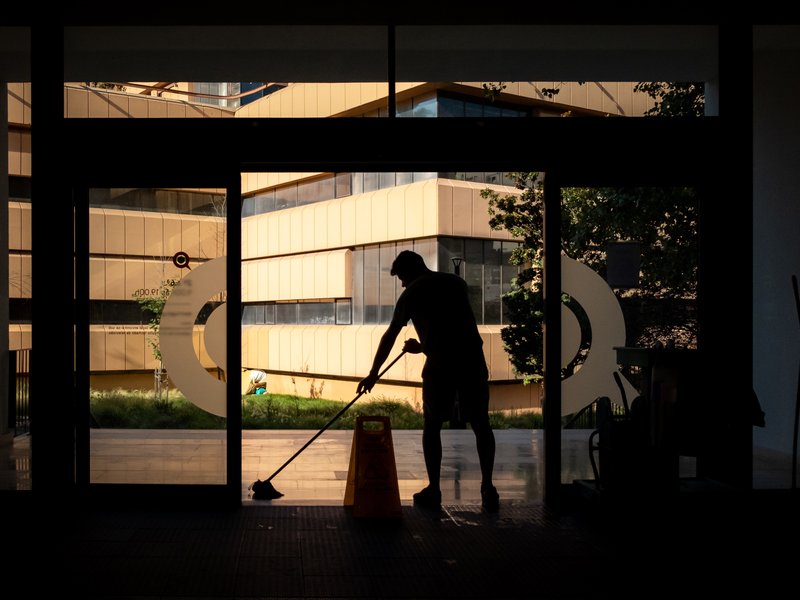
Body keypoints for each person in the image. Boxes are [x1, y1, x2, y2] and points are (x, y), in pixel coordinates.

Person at [357, 250, 499, 512]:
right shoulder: (457, 284)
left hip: (440, 367)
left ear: (410, 271)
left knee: (432, 425)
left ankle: (434, 489)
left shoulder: (412, 293)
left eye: (401, 277)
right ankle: (488, 486)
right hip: (471, 361)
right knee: (481, 423)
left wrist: (374, 373)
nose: (401, 283)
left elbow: (391, 334)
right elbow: (453, 328)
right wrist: (423, 346)